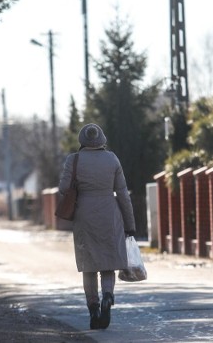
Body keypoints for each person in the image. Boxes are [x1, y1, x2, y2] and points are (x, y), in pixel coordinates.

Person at [58, 123, 136, 330]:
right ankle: (108, 296)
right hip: (110, 214)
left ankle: (93, 308)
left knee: (89, 265)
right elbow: (122, 193)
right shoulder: (112, 159)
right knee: (108, 261)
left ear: (82, 140)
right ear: (102, 140)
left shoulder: (73, 160)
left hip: (84, 214)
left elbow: (64, 188)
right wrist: (130, 225)